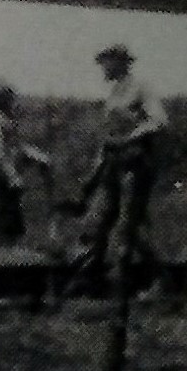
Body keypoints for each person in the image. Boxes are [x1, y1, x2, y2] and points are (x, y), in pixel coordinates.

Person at [69, 43, 168, 287]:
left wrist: (130, 137)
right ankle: (91, 278)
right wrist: (94, 174)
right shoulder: (114, 92)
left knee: (129, 225)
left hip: (134, 165)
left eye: (106, 62)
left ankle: (158, 279)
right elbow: (109, 137)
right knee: (98, 220)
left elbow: (159, 121)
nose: (103, 67)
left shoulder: (140, 87)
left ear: (120, 62)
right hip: (113, 165)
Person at [0, 79, 52, 245]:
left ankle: (5, 254)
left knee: (9, 225)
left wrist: (38, 157)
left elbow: (15, 147)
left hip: (2, 178)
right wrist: (12, 176)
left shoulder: (5, 118)